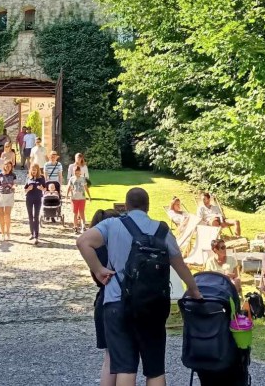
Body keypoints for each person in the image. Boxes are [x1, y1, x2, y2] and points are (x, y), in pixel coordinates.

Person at [77, 187, 203, 386]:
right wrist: (194, 290)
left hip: (118, 304)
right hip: (153, 305)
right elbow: (180, 265)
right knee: (155, 370)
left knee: (125, 368)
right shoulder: (162, 230)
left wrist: (99, 269)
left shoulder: (111, 224)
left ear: (126, 206)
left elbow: (83, 242)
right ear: (148, 207)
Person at [90, 208, 120, 386]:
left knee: (109, 358)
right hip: (115, 301)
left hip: (102, 301)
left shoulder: (94, 250)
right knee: (122, 360)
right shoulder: (116, 248)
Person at [0, 160, 17, 241]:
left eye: (9, 166)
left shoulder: (13, 175)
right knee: (1, 215)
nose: (7, 167)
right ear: (4, 166)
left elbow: (15, 184)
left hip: (9, 195)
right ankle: (3, 233)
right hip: (0, 196)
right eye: (6, 165)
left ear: (11, 167)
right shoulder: (0, 175)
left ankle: (8, 232)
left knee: (7, 215)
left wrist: (13, 186)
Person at [24, 163, 46, 243]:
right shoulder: (29, 177)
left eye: (35, 170)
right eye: (32, 170)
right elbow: (25, 190)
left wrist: (41, 188)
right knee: (30, 216)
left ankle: (36, 235)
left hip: (37, 199)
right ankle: (31, 233)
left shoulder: (41, 178)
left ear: (37, 170)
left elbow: (45, 189)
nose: (34, 171)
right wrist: (28, 189)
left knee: (36, 217)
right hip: (29, 198)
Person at [67, 165, 92, 233]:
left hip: (82, 198)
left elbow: (86, 188)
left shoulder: (83, 179)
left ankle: (83, 226)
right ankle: (75, 226)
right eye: (75, 172)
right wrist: (67, 195)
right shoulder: (71, 179)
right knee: (75, 213)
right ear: (73, 172)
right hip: (74, 198)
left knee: (81, 212)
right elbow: (69, 187)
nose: (77, 174)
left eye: (78, 172)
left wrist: (89, 196)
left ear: (80, 172)